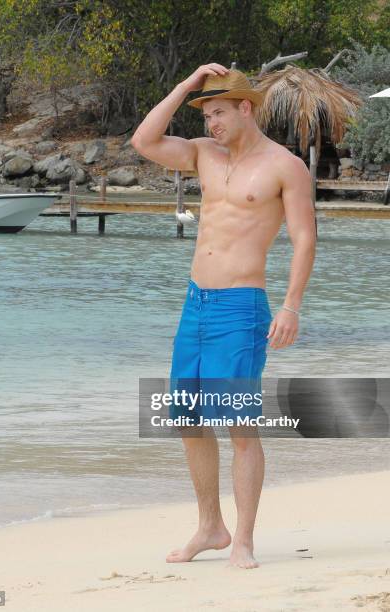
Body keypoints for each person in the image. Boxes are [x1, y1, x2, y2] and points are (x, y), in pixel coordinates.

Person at [131, 64, 316, 569]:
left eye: (217, 112)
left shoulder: (285, 166)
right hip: (196, 304)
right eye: (206, 113)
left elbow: (304, 238)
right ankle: (211, 526)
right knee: (187, 418)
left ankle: (245, 541)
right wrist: (186, 85)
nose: (211, 123)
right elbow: (144, 140)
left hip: (241, 307)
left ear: (245, 108)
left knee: (238, 426)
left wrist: (291, 305)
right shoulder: (201, 155)